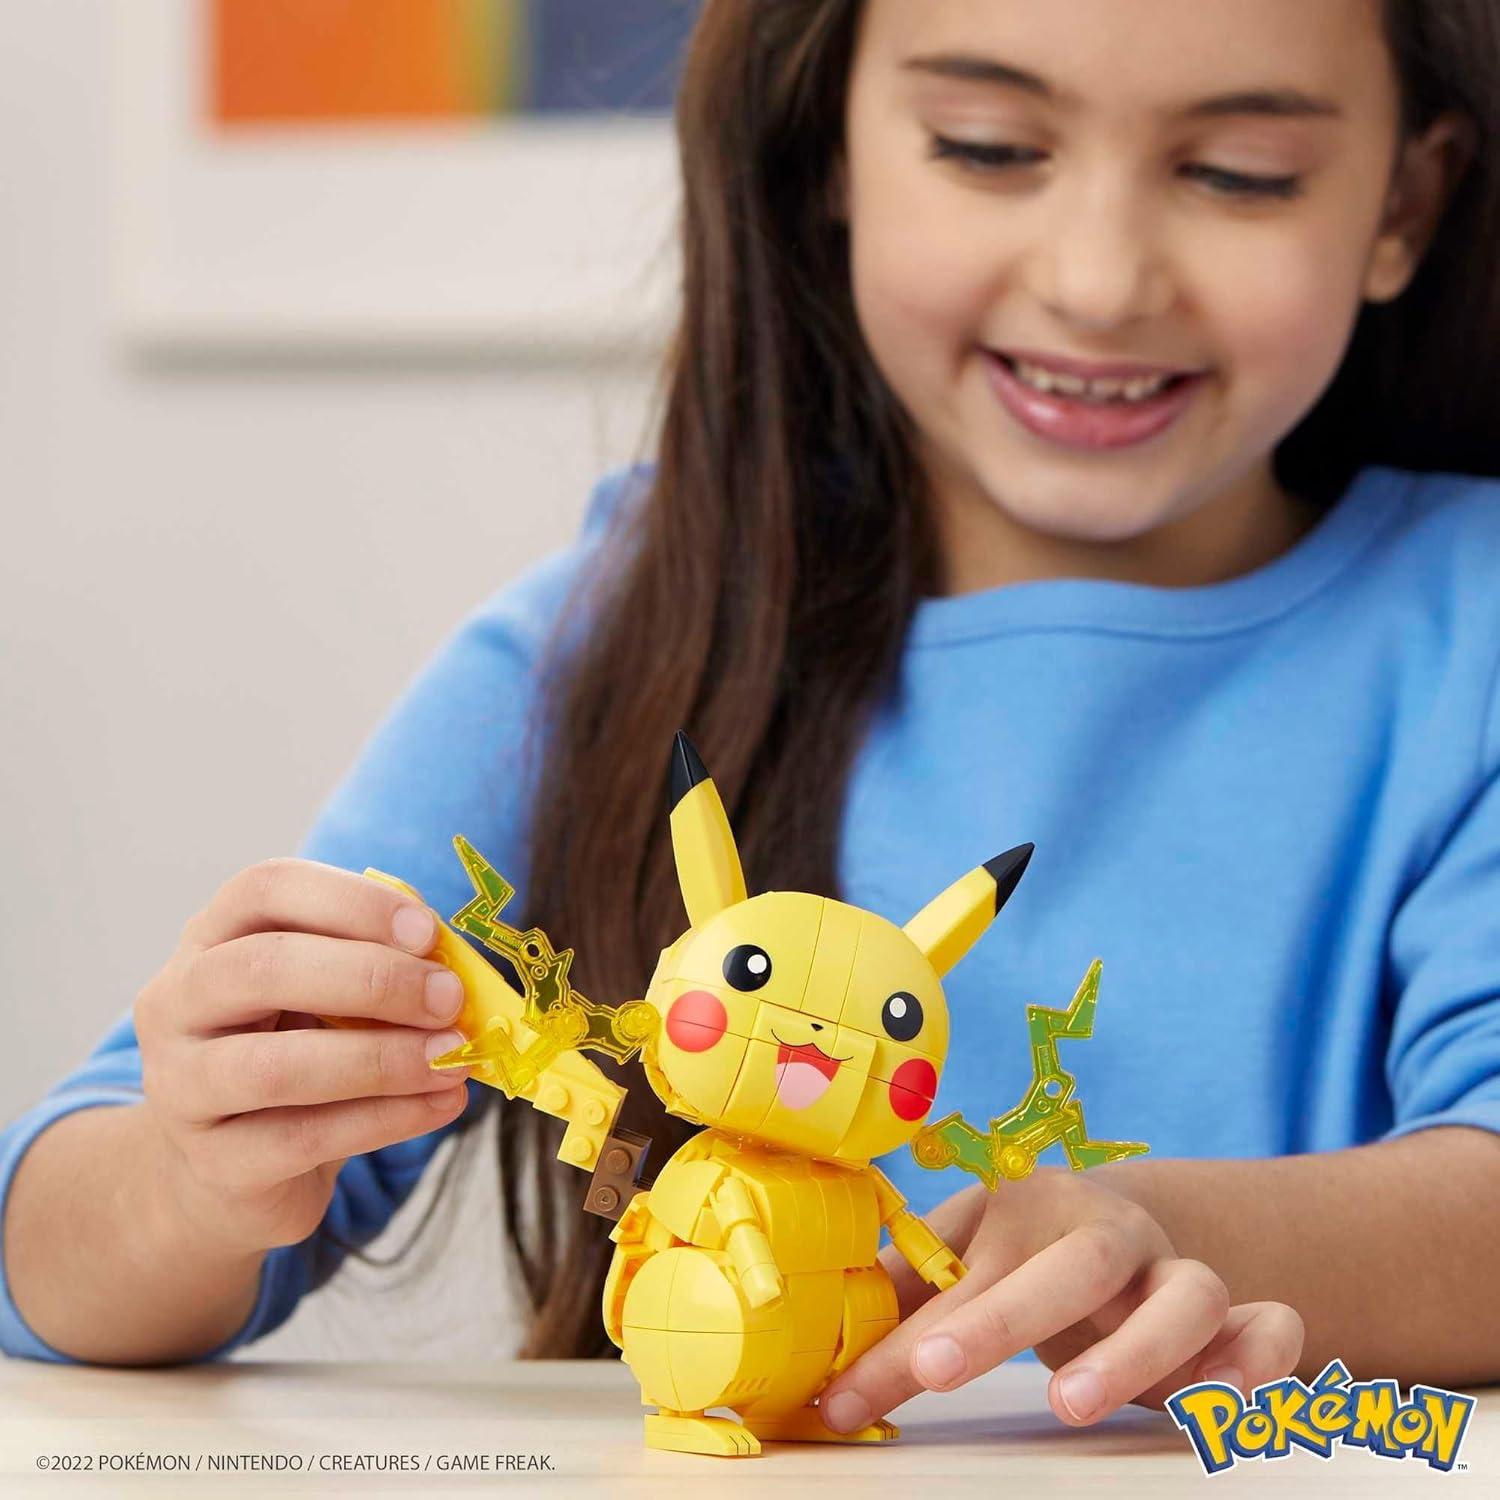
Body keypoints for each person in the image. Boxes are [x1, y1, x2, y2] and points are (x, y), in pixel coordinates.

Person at [4, 0, 1498, 1441]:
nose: (1099, 278)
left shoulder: (1467, 634)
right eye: (986, 147)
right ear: (826, 141)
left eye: (1240, 172)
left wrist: (1164, 1234)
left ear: (1402, 204)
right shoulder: (608, 643)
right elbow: (43, 1257)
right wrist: (201, 1174)